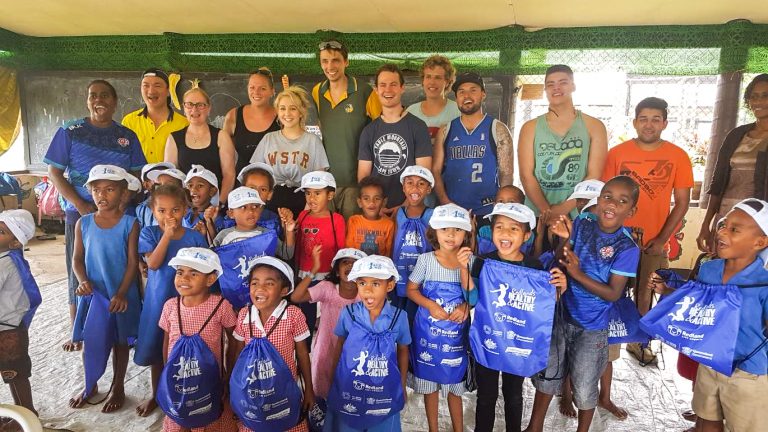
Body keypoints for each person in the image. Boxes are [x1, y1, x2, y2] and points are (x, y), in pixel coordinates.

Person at [527, 176, 641, 432]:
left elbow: (612, 293)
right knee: (549, 374)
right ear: (598, 200)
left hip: (592, 328)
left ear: (631, 211)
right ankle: (534, 427)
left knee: (585, 385)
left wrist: (577, 275)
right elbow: (561, 258)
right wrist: (565, 239)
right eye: (607, 196)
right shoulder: (583, 223)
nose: (611, 204)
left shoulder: (627, 247)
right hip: (561, 315)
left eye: (622, 201)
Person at [44, 79, 146, 352]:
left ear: (114, 102)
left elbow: (137, 175)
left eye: (104, 95)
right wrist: (80, 204)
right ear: (87, 101)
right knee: (79, 271)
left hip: (119, 216)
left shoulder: (127, 136)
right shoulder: (70, 131)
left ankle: (123, 329)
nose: (98, 100)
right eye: (93, 96)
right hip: (81, 214)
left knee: (120, 268)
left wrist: (123, 205)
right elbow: (55, 173)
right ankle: (79, 330)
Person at [652, 198, 768, 432]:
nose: (722, 231)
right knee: (706, 420)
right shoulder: (709, 269)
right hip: (710, 362)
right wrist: (666, 291)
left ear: (760, 242)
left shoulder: (763, 282)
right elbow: (695, 299)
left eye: (734, 229)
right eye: (723, 225)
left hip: (747, 372)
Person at [601, 97, 694, 366]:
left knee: (645, 293)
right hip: (617, 238)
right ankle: (609, 350)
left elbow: (683, 202)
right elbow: (605, 196)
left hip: (653, 240)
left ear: (664, 123)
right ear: (634, 122)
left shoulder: (677, 156)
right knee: (613, 292)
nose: (649, 124)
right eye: (643, 118)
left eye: (655, 119)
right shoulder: (617, 154)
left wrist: (662, 239)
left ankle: (638, 342)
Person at [471, 203, 566, 432]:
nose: (504, 233)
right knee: (486, 396)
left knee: (513, 395)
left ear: (526, 235)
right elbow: (472, 297)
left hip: (517, 344)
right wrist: (465, 270)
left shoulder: (534, 267)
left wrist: (559, 289)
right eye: (499, 227)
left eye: (513, 229)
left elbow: (542, 304)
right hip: (489, 341)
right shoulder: (482, 262)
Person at [69, 165, 141, 413]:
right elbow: (77, 259)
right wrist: (82, 281)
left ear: (122, 193)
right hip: (93, 294)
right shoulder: (83, 223)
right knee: (92, 338)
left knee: (120, 342)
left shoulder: (130, 224)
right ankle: (90, 385)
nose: (102, 195)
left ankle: (118, 386)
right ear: (89, 191)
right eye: (96, 189)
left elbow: (133, 262)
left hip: (120, 294)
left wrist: (121, 293)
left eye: (109, 189)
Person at [135, 184, 207, 416]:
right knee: (159, 350)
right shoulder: (149, 233)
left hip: (189, 304)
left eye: (175, 210)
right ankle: (157, 394)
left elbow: (206, 270)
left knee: (187, 350)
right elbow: (153, 264)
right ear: (153, 211)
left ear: (185, 209)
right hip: (159, 301)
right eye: (162, 211)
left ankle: (189, 395)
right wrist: (166, 235)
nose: (169, 216)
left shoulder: (195, 237)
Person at [406, 204, 476, 432]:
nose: (451, 235)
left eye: (457, 230)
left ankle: (458, 429)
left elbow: (474, 296)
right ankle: (433, 429)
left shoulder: (470, 260)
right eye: (445, 229)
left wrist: (466, 305)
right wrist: (429, 305)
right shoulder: (426, 260)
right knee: (430, 386)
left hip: (455, 338)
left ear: (466, 233)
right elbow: (411, 290)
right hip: (428, 334)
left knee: (454, 385)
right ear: (434, 231)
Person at [324, 255, 410, 432]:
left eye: (376, 284)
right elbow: (339, 346)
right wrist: (334, 380)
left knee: (383, 423)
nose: (368, 291)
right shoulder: (349, 314)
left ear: (390, 286)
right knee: (347, 423)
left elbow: (403, 350)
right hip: (350, 388)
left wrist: (401, 384)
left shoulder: (399, 317)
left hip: (384, 392)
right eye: (362, 283)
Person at [159, 247, 238, 431]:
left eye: (193, 273)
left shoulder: (221, 306)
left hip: (209, 378)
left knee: (208, 416)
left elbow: (233, 340)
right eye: (180, 272)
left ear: (210, 279)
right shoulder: (171, 306)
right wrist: (167, 372)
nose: (184, 278)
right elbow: (166, 342)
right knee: (180, 416)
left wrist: (228, 373)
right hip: (178, 378)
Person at [232, 256, 313, 432]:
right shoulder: (244, 314)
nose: (259, 288)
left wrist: (309, 389)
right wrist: (233, 388)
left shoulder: (293, 315)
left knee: (287, 423)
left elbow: (302, 354)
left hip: (284, 391)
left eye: (269, 284)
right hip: (251, 392)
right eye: (254, 283)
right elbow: (237, 353)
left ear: (284, 290)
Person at [518, 64, 608, 218]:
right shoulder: (530, 128)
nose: (556, 88)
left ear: (573, 86)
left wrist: (564, 208)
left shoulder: (594, 126)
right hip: (538, 215)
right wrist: (546, 211)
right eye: (550, 84)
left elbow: (594, 175)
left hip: (578, 214)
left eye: (563, 82)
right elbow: (526, 175)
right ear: (545, 90)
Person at [698, 74, 768, 255]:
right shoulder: (736, 135)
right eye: (754, 96)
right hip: (727, 217)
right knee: (720, 270)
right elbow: (719, 182)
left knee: (750, 273)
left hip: (757, 222)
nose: (758, 101)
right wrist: (707, 224)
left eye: (765, 95)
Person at [312, 40, 382, 219]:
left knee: (350, 235)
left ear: (346, 62)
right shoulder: (317, 92)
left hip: (355, 183)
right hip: (326, 182)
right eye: (325, 61)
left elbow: (382, 132)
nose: (330, 66)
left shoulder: (365, 92)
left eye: (335, 60)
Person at [432, 72, 515, 217]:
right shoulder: (446, 130)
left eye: (473, 90)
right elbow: (436, 171)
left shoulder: (498, 129)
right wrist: (446, 202)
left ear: (483, 94)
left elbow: (506, 173)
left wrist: (501, 205)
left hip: (487, 209)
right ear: (456, 97)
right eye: (461, 92)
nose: (467, 96)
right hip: (453, 209)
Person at [290, 248, 367, 400]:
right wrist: (314, 270)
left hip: (354, 352)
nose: (350, 266)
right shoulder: (327, 288)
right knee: (322, 393)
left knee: (349, 393)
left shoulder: (365, 295)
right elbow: (296, 297)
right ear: (337, 272)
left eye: (355, 264)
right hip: (326, 350)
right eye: (345, 262)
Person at [358, 64, 432, 213]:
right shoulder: (368, 131)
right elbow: (363, 176)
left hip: (410, 211)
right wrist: (375, 208)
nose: (388, 90)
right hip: (376, 213)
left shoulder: (418, 127)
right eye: (383, 85)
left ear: (402, 88)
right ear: (376, 90)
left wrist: (405, 206)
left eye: (393, 84)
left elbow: (424, 173)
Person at [251, 85, 330, 216]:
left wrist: (307, 211)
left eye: (293, 108)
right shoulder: (269, 139)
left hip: (302, 201)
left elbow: (319, 180)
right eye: (282, 108)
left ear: (301, 112)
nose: (287, 113)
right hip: (270, 202)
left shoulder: (312, 141)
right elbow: (256, 175)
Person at [295, 171, 346, 349]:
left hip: (327, 276)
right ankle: (306, 350)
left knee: (327, 315)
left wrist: (338, 275)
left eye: (317, 193)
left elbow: (341, 251)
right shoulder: (303, 216)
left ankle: (326, 347)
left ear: (330, 195)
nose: (311, 198)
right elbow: (296, 245)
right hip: (305, 274)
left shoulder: (336, 220)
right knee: (306, 313)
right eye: (308, 193)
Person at [165, 83, 236, 203]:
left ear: (209, 108)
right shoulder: (173, 138)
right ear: (184, 108)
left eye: (200, 105)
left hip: (215, 206)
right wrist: (181, 206)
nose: (194, 109)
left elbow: (229, 175)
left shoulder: (221, 136)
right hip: (184, 207)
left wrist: (218, 205)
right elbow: (170, 178)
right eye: (189, 105)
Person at [0, 209, 40, 419]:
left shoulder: (4, 263)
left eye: (1, 231)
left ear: (15, 242)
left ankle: (27, 415)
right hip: (12, 327)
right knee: (14, 373)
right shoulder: (9, 258)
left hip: (7, 331)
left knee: (14, 373)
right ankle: (23, 412)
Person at [391, 166, 436, 315]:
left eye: (421, 184)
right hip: (399, 275)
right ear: (403, 187)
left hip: (422, 279)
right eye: (410, 183)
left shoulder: (432, 215)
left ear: (429, 189)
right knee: (398, 316)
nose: (415, 188)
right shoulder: (399, 213)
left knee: (416, 317)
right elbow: (394, 243)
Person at [122, 69, 188, 164]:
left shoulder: (183, 124)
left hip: (169, 178)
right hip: (137, 177)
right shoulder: (129, 122)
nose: (151, 91)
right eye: (146, 86)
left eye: (157, 86)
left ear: (168, 91)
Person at [222, 68, 281, 174]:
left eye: (262, 88)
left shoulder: (282, 117)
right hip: (242, 182)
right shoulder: (233, 116)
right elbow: (225, 155)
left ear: (272, 91)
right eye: (252, 87)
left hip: (274, 183)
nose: (256, 92)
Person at [211, 186, 295, 260]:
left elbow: (287, 254)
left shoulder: (267, 234)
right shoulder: (224, 235)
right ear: (231, 214)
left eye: (255, 206)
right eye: (243, 207)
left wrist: (289, 231)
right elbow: (211, 259)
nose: (251, 211)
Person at [406, 55, 460, 142]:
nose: (432, 82)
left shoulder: (458, 111)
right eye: (428, 77)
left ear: (447, 82)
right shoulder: (411, 112)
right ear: (423, 80)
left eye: (437, 77)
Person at [345, 176, 396, 256]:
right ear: (360, 202)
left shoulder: (389, 224)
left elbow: (388, 254)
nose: (371, 202)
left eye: (377, 198)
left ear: (384, 202)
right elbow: (349, 250)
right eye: (366, 198)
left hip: (379, 266)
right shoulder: (354, 221)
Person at [182, 165, 220, 244]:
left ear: (212, 191)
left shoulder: (216, 217)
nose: (193, 190)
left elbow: (217, 245)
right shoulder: (184, 212)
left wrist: (210, 223)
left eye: (200, 186)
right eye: (190, 185)